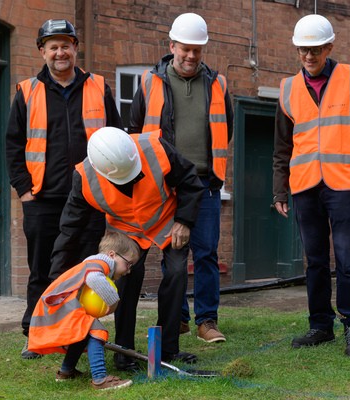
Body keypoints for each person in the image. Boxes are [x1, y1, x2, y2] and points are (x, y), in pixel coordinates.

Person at [5, 19, 123, 359]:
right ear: (42, 51)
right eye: (53, 46)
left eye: (66, 45)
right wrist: (25, 191)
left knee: (85, 269)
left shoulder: (98, 87)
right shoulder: (27, 91)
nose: (60, 52)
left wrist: (110, 189)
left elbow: (116, 138)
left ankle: (79, 334)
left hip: (89, 197)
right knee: (41, 269)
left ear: (75, 48)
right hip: (42, 199)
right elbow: (13, 145)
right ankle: (36, 334)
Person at [50, 126, 205, 369]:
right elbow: (70, 228)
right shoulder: (84, 177)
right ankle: (124, 352)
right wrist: (56, 277)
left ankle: (167, 350)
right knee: (125, 278)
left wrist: (184, 221)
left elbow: (190, 181)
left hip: (166, 220)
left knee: (176, 272)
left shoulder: (156, 149)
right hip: (126, 229)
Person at [273, 14, 350, 357]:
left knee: (347, 256)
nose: (309, 56)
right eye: (303, 50)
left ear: (329, 48)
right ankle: (320, 326)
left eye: (316, 50)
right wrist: (279, 189)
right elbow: (282, 147)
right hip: (305, 185)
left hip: (344, 182)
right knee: (316, 260)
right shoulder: (288, 89)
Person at [129, 12, 234, 343]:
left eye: (196, 50)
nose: (190, 56)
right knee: (171, 253)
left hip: (204, 184)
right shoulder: (149, 82)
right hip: (164, 183)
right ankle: (178, 318)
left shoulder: (217, 84)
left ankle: (206, 321)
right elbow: (135, 131)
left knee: (206, 254)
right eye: (185, 48)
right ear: (172, 45)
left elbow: (226, 129)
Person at [28, 231, 140, 390]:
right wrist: (114, 301)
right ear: (112, 255)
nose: (128, 271)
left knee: (83, 333)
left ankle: (66, 371)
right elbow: (94, 279)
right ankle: (100, 379)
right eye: (128, 264)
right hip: (58, 308)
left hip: (58, 307)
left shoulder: (91, 263)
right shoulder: (98, 265)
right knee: (96, 331)